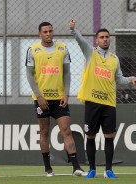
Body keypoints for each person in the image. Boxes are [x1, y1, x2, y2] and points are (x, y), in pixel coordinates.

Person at [69, 19, 136, 179]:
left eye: (107, 37)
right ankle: (92, 169)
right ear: (97, 40)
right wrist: (74, 30)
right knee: (91, 136)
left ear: (110, 39)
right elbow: (80, 41)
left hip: (109, 103)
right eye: (101, 37)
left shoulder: (114, 59)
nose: (105, 39)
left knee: (109, 136)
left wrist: (130, 79)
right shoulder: (90, 52)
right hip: (92, 102)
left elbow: (119, 78)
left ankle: (108, 170)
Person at [25, 21, 86, 177]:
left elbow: (67, 73)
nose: (48, 34)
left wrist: (66, 93)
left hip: (59, 99)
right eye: (45, 32)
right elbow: (29, 75)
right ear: (40, 34)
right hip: (41, 99)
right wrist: (39, 96)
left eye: (50, 31)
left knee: (66, 130)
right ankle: (48, 169)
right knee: (44, 132)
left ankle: (76, 167)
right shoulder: (33, 50)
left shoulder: (62, 49)